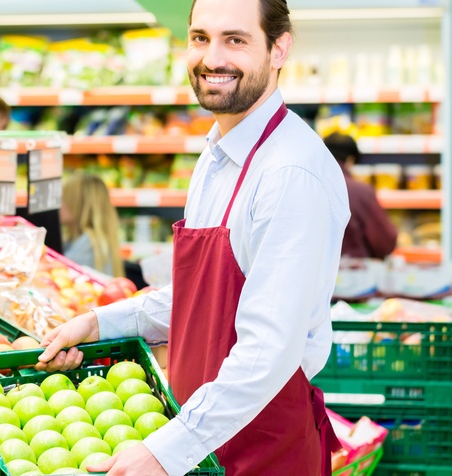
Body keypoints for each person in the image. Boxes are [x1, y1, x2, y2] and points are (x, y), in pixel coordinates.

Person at [36, 0, 350, 475]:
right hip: (203, 438)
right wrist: (99, 323)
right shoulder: (216, 154)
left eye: (236, 40)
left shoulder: (291, 173)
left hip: (262, 450)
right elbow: (204, 298)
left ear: (279, 49)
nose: (212, 58)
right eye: (200, 38)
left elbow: (268, 350)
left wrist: (166, 450)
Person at [323, 132, 398, 260]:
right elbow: (384, 241)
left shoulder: (306, 187)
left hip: (314, 274)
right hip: (354, 273)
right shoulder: (362, 192)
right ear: (351, 159)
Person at [60, 173, 124, 278]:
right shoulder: (92, 239)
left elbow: (59, 272)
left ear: (77, 203)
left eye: (63, 198)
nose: (58, 205)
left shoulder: (89, 243)